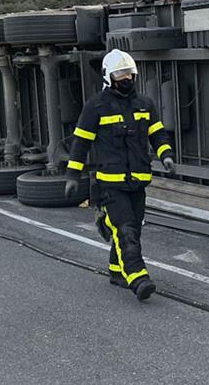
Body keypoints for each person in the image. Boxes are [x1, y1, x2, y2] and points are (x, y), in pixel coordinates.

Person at [64, 49, 175, 301]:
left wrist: (166, 155)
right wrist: (72, 175)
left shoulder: (145, 104)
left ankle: (117, 270)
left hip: (138, 181)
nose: (126, 79)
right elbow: (80, 143)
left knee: (132, 228)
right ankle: (138, 277)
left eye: (129, 74)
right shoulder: (96, 107)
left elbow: (157, 134)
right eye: (120, 74)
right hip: (110, 184)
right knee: (125, 230)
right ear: (108, 76)